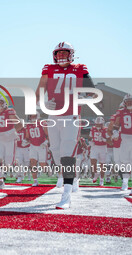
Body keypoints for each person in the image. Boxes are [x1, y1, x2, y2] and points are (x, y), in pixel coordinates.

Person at [35, 42, 95, 209]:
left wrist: (82, 96)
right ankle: (73, 177)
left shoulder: (80, 68)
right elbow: (39, 92)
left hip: (71, 115)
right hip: (53, 115)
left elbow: (92, 90)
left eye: (65, 53)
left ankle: (66, 196)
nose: (61, 56)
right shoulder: (48, 69)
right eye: (59, 53)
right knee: (56, 154)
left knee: (67, 154)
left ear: (71, 54)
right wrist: (44, 103)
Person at [108, 94, 132, 195]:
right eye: (128, 101)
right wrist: (115, 132)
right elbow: (116, 125)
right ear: (124, 102)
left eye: (131, 100)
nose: (129, 102)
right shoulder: (121, 112)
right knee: (125, 162)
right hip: (125, 137)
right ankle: (125, 183)